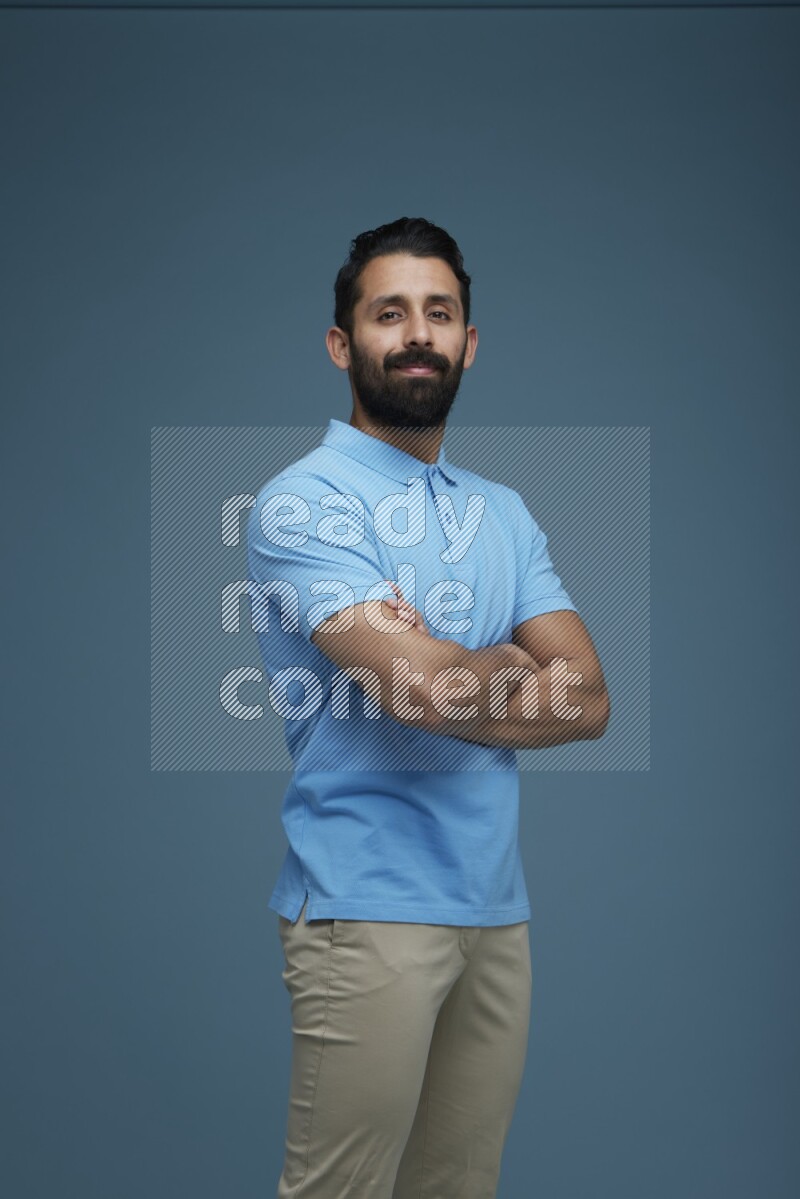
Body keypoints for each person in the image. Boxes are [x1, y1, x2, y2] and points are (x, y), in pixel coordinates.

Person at [247, 216, 610, 1198]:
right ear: (342, 343)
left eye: (438, 312)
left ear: (467, 342)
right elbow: (418, 686)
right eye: (388, 312)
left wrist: (452, 672)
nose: (416, 332)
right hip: (363, 900)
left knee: (456, 1187)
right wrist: (489, 662)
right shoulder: (302, 502)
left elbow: (588, 699)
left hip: (493, 906)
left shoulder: (501, 510)